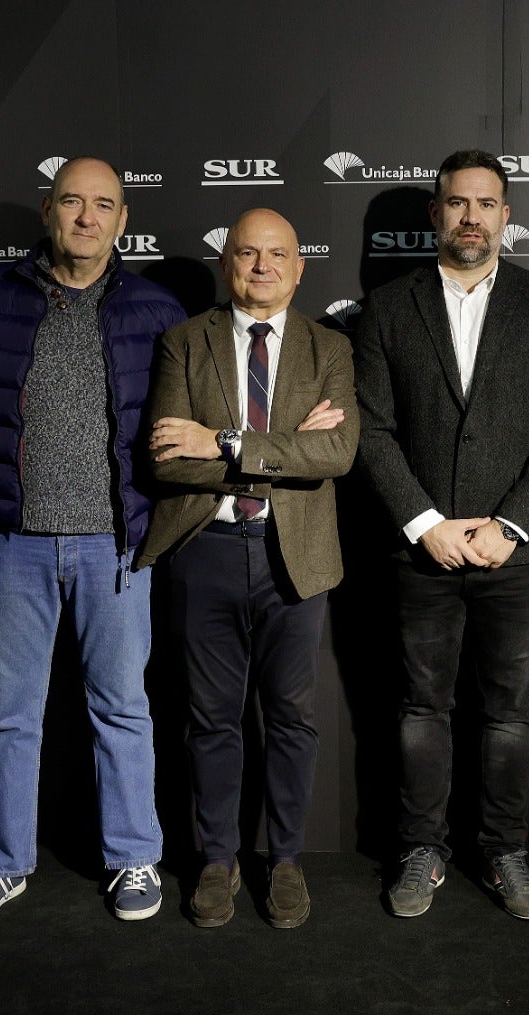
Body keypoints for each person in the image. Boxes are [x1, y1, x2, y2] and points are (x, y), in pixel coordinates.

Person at [0, 156, 185, 927]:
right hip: (10, 542)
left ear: (122, 219)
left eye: (103, 204)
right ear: (48, 211)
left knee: (123, 708)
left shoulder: (156, 306)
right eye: (72, 202)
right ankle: (2, 863)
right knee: (10, 711)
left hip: (115, 544)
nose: (86, 217)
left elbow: (186, 426)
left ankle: (135, 857)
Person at [355, 149, 529, 920]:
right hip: (422, 552)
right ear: (436, 213)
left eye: (486, 204)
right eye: (457, 203)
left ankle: (504, 851)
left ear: (506, 215)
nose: (471, 217)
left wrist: (509, 524)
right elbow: (375, 430)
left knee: (511, 711)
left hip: (517, 552)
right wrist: (425, 524)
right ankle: (423, 850)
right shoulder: (387, 309)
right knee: (422, 708)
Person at [140, 208, 356, 928]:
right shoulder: (183, 342)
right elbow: (170, 461)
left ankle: (286, 860)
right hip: (204, 553)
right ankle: (217, 861)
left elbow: (336, 456)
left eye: (277, 255)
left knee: (293, 718)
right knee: (211, 720)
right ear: (226, 262)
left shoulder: (330, 348)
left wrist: (224, 441)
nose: (261, 267)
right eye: (246, 253)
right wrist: (279, 450)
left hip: (295, 558)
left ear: (300, 267)